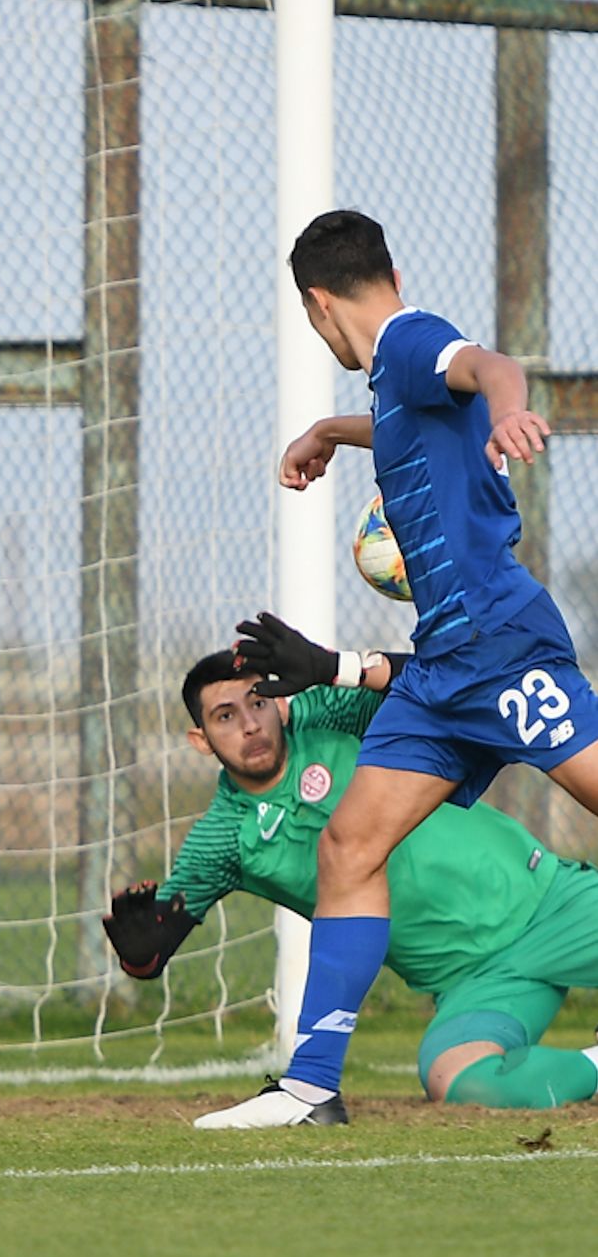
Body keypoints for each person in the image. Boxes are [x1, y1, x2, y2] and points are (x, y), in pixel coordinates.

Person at [199, 209, 598, 1128]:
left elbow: (486, 368)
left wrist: (508, 409)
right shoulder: (391, 381)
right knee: (350, 845)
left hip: (499, 648)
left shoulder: (412, 339)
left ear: (316, 303)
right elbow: (408, 422)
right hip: (442, 673)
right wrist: (329, 433)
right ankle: (311, 1085)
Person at [103, 627, 598, 1122]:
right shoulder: (221, 839)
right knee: (456, 1080)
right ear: (201, 740)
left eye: (257, 704)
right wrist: (140, 953)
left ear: (280, 705)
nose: (249, 725)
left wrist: (336, 666)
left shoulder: (333, 719)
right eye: (225, 717)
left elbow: (444, 682)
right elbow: (155, 948)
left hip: (552, 904)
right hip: (469, 981)